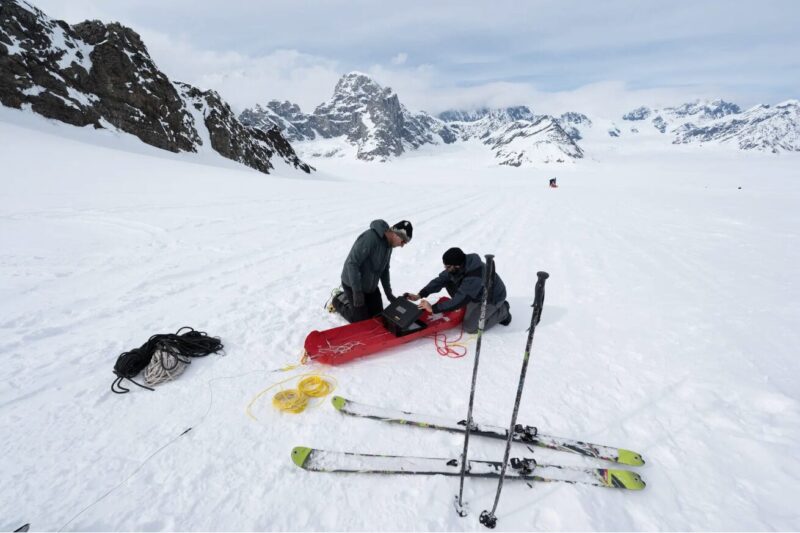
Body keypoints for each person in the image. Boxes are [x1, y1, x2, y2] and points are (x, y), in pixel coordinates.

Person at [406, 247, 511, 334]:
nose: (445, 268)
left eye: (447, 266)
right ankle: (467, 303)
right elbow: (440, 280)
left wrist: (433, 308)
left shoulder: (474, 275)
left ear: (457, 265)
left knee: (470, 327)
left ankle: (503, 311)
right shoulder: (459, 265)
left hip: (491, 298)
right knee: (447, 280)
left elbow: (460, 300)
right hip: (474, 292)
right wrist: (420, 294)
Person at [330, 219, 413, 323]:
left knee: (378, 317)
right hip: (353, 284)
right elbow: (352, 264)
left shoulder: (389, 246)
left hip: (370, 286)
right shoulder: (370, 238)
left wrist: (389, 294)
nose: (402, 245)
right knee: (360, 321)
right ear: (397, 235)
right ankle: (338, 300)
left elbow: (384, 270)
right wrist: (357, 291)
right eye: (403, 241)